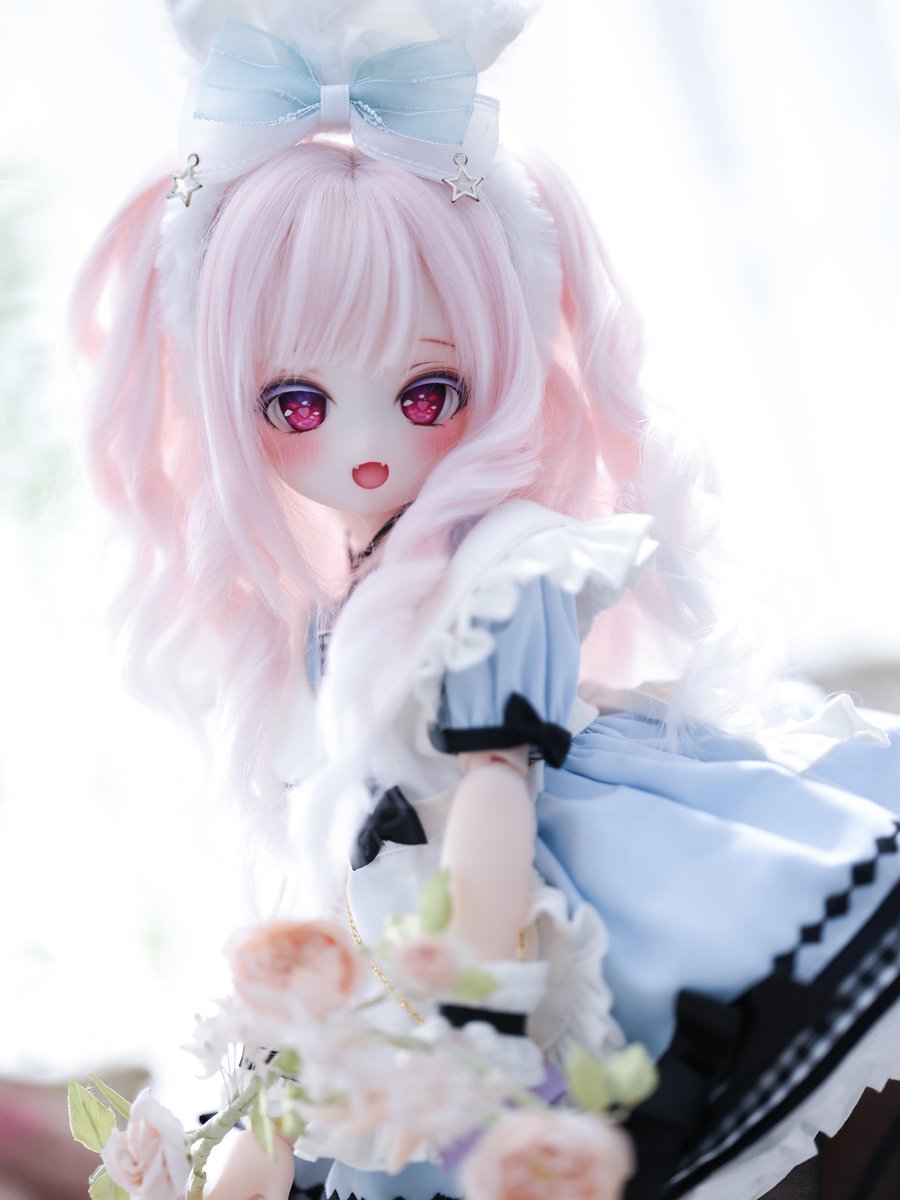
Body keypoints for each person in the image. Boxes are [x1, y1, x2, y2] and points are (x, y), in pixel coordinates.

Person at [73, 2, 900, 1197]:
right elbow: (370, 849)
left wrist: (477, 1015)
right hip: (417, 930)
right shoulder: (335, 615)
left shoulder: (511, 567)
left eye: (426, 393)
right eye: (297, 404)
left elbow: (493, 795)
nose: (363, 445)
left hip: (538, 911)